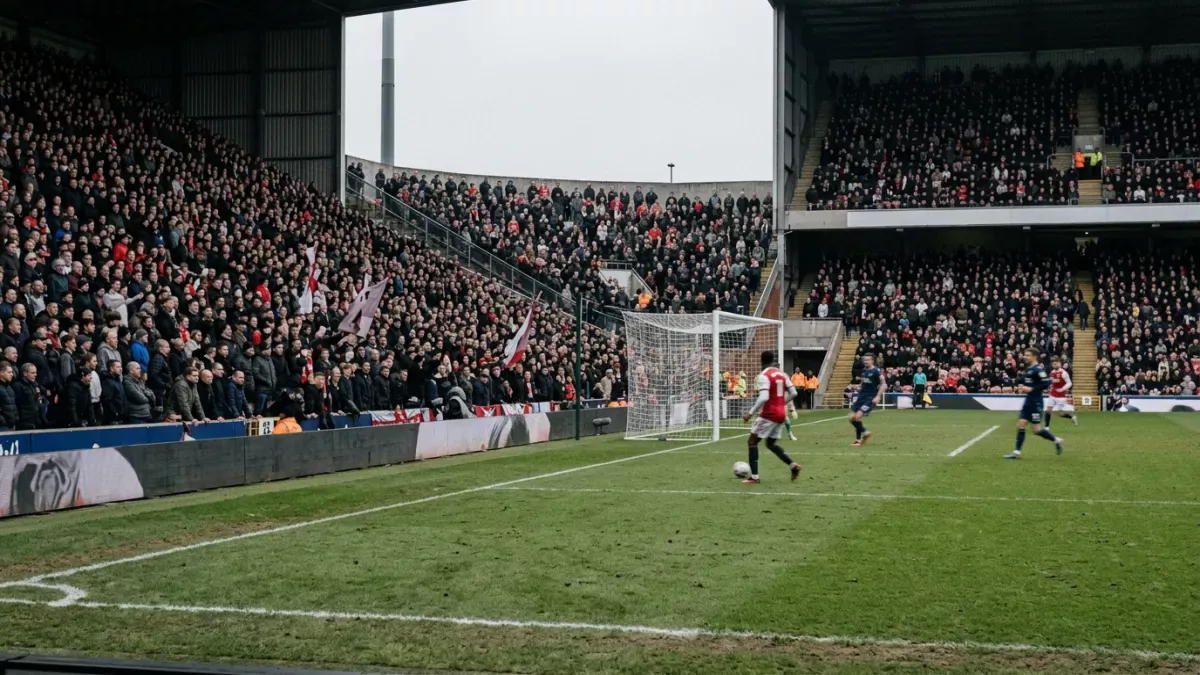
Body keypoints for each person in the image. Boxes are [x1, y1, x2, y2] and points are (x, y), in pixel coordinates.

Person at [738, 350, 802, 484]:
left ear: (761, 360)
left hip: (769, 414)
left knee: (752, 442)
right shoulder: (782, 374)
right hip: (781, 414)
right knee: (771, 444)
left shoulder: (764, 376)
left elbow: (763, 397)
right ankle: (793, 465)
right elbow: (794, 393)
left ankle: (754, 477)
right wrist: (782, 403)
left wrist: (750, 413)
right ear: (773, 360)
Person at [1005, 349, 1063, 459]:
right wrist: (1022, 388)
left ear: (1035, 357)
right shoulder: (1029, 369)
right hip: (1028, 401)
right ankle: (1016, 453)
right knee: (1021, 424)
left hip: (1036, 402)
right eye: (1025, 355)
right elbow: (1030, 384)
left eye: (1028, 355)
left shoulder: (1038, 370)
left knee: (1036, 430)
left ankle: (1056, 440)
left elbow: (1046, 383)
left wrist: (1031, 389)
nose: (1025, 357)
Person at [849, 353, 883, 446]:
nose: (865, 361)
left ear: (872, 361)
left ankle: (865, 432)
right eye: (864, 360)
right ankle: (858, 439)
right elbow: (863, 384)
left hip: (870, 398)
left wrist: (878, 396)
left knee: (856, 417)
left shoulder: (876, 371)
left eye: (868, 360)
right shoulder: (864, 370)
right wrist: (856, 388)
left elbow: (884, 384)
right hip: (861, 397)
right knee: (852, 417)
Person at [1045, 356, 1079, 428]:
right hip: (1053, 394)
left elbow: (1069, 383)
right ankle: (1046, 427)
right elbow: (1052, 382)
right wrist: (1049, 387)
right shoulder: (1052, 372)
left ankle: (1072, 417)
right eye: (1053, 364)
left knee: (1061, 414)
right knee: (1048, 410)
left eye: (1056, 363)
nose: (1054, 365)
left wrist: (1062, 389)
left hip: (1061, 396)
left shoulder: (1064, 373)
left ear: (1059, 363)